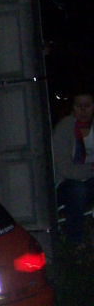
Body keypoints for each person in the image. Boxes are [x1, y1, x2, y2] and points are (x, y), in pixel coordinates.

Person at [52, 92, 94, 245]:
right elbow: (65, 169)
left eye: (87, 106)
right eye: (79, 106)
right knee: (77, 191)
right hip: (67, 182)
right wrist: (91, 169)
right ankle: (74, 241)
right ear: (72, 108)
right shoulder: (64, 128)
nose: (83, 110)